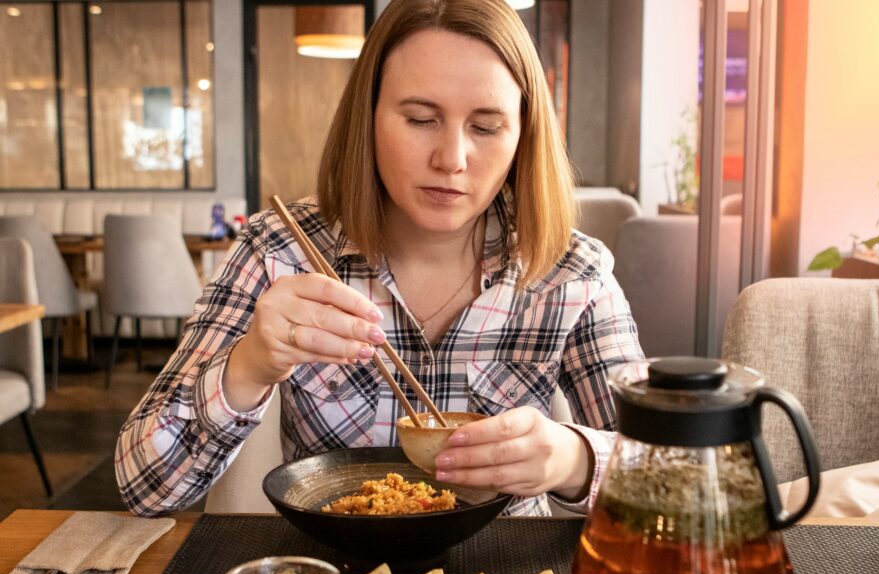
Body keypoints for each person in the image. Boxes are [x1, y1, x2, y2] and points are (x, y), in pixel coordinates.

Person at [115, 0, 643, 517]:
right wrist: (249, 365)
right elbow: (144, 488)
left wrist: (574, 461)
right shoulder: (282, 250)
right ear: (367, 118)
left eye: (485, 127)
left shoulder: (570, 271)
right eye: (420, 119)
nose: (452, 159)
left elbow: (674, 477)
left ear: (523, 136)